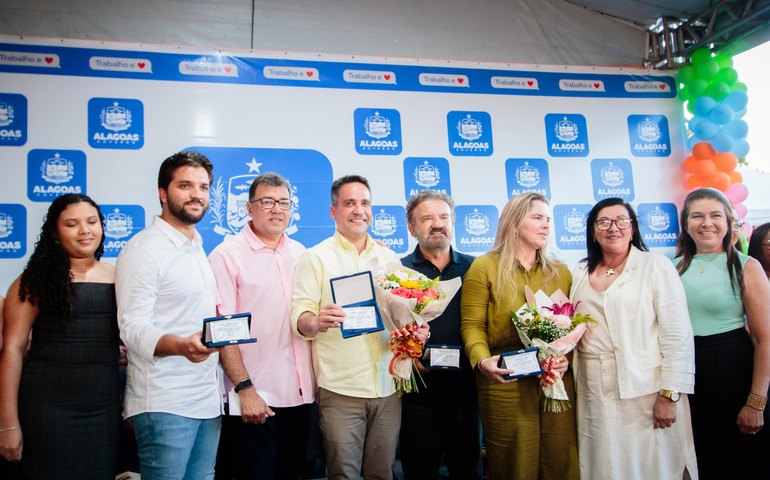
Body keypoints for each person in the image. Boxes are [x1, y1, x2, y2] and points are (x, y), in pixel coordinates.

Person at [570, 197, 697, 479]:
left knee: (652, 464)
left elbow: (677, 336)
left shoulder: (656, 266)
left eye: (621, 221)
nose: (612, 228)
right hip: (592, 390)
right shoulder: (580, 271)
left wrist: (670, 394)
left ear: (633, 228)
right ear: (593, 231)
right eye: (603, 222)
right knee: (602, 463)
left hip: (646, 391)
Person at [116, 151, 222, 480]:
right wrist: (179, 346)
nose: (197, 195)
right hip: (164, 402)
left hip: (207, 398)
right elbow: (131, 327)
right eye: (185, 185)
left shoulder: (196, 245)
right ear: (163, 193)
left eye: (203, 187)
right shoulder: (144, 249)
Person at [0, 194, 121, 479]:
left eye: (92, 222)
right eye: (72, 224)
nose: (84, 230)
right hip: (46, 408)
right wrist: (7, 423)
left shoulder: (120, 276)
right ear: (55, 232)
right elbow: (13, 349)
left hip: (102, 409)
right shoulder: (34, 280)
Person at [291, 175, 402, 480]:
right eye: (349, 203)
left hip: (387, 385)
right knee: (343, 475)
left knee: (383, 473)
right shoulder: (315, 258)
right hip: (341, 389)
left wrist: (414, 329)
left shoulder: (389, 257)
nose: (358, 210)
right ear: (333, 211)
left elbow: (401, 314)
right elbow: (300, 316)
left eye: (365, 203)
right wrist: (316, 321)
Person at [460, 192, 577, 480]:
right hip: (505, 381)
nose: (546, 225)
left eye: (548, 219)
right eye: (537, 218)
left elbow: (573, 328)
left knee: (561, 461)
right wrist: (482, 361)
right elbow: (472, 326)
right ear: (514, 224)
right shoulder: (484, 267)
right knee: (515, 466)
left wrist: (565, 361)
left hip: (555, 381)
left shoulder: (560, 271)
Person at [208, 172, 315, 479]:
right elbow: (223, 330)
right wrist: (245, 389)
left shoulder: (302, 254)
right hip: (255, 400)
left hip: (300, 396)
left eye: (283, 202)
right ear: (249, 207)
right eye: (267, 201)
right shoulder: (227, 256)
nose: (276, 209)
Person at [675, 188, 770, 479]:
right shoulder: (671, 269)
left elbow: (765, 339)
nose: (707, 223)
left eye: (715, 215)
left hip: (734, 372)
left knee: (741, 463)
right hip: (690, 378)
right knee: (703, 462)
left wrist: (756, 401)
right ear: (686, 224)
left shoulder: (747, 266)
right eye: (697, 216)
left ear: (728, 221)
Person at [399, 190, 480, 480]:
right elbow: (387, 328)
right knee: (419, 472)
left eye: (444, 217)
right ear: (411, 228)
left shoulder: (476, 268)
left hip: (466, 393)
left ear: (453, 222)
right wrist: (404, 354)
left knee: (467, 470)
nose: (437, 224)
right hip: (417, 395)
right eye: (427, 218)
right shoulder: (398, 271)